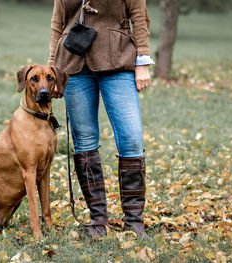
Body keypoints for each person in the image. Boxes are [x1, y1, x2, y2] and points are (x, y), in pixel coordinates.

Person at [48, 0, 154, 238]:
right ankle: (98, 221)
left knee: (131, 138)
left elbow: (140, 16)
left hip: (118, 60)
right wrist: (52, 69)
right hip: (72, 64)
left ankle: (134, 222)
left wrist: (143, 61)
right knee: (84, 141)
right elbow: (57, 23)